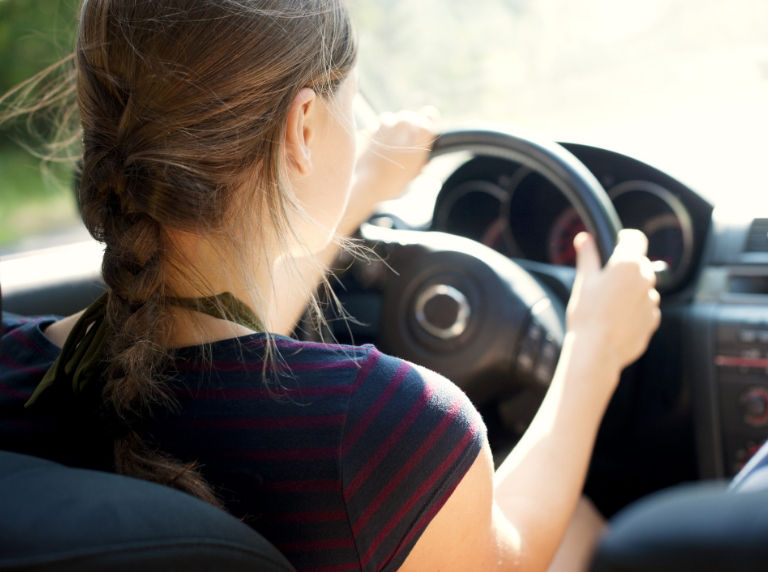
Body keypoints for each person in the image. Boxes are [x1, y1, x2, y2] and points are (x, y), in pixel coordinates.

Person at [0, 1, 660, 570]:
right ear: (305, 126)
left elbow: (217, 357)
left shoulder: (12, 369)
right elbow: (506, 558)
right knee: (582, 531)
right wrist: (593, 350)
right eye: (351, 96)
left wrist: (361, 188)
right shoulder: (374, 428)